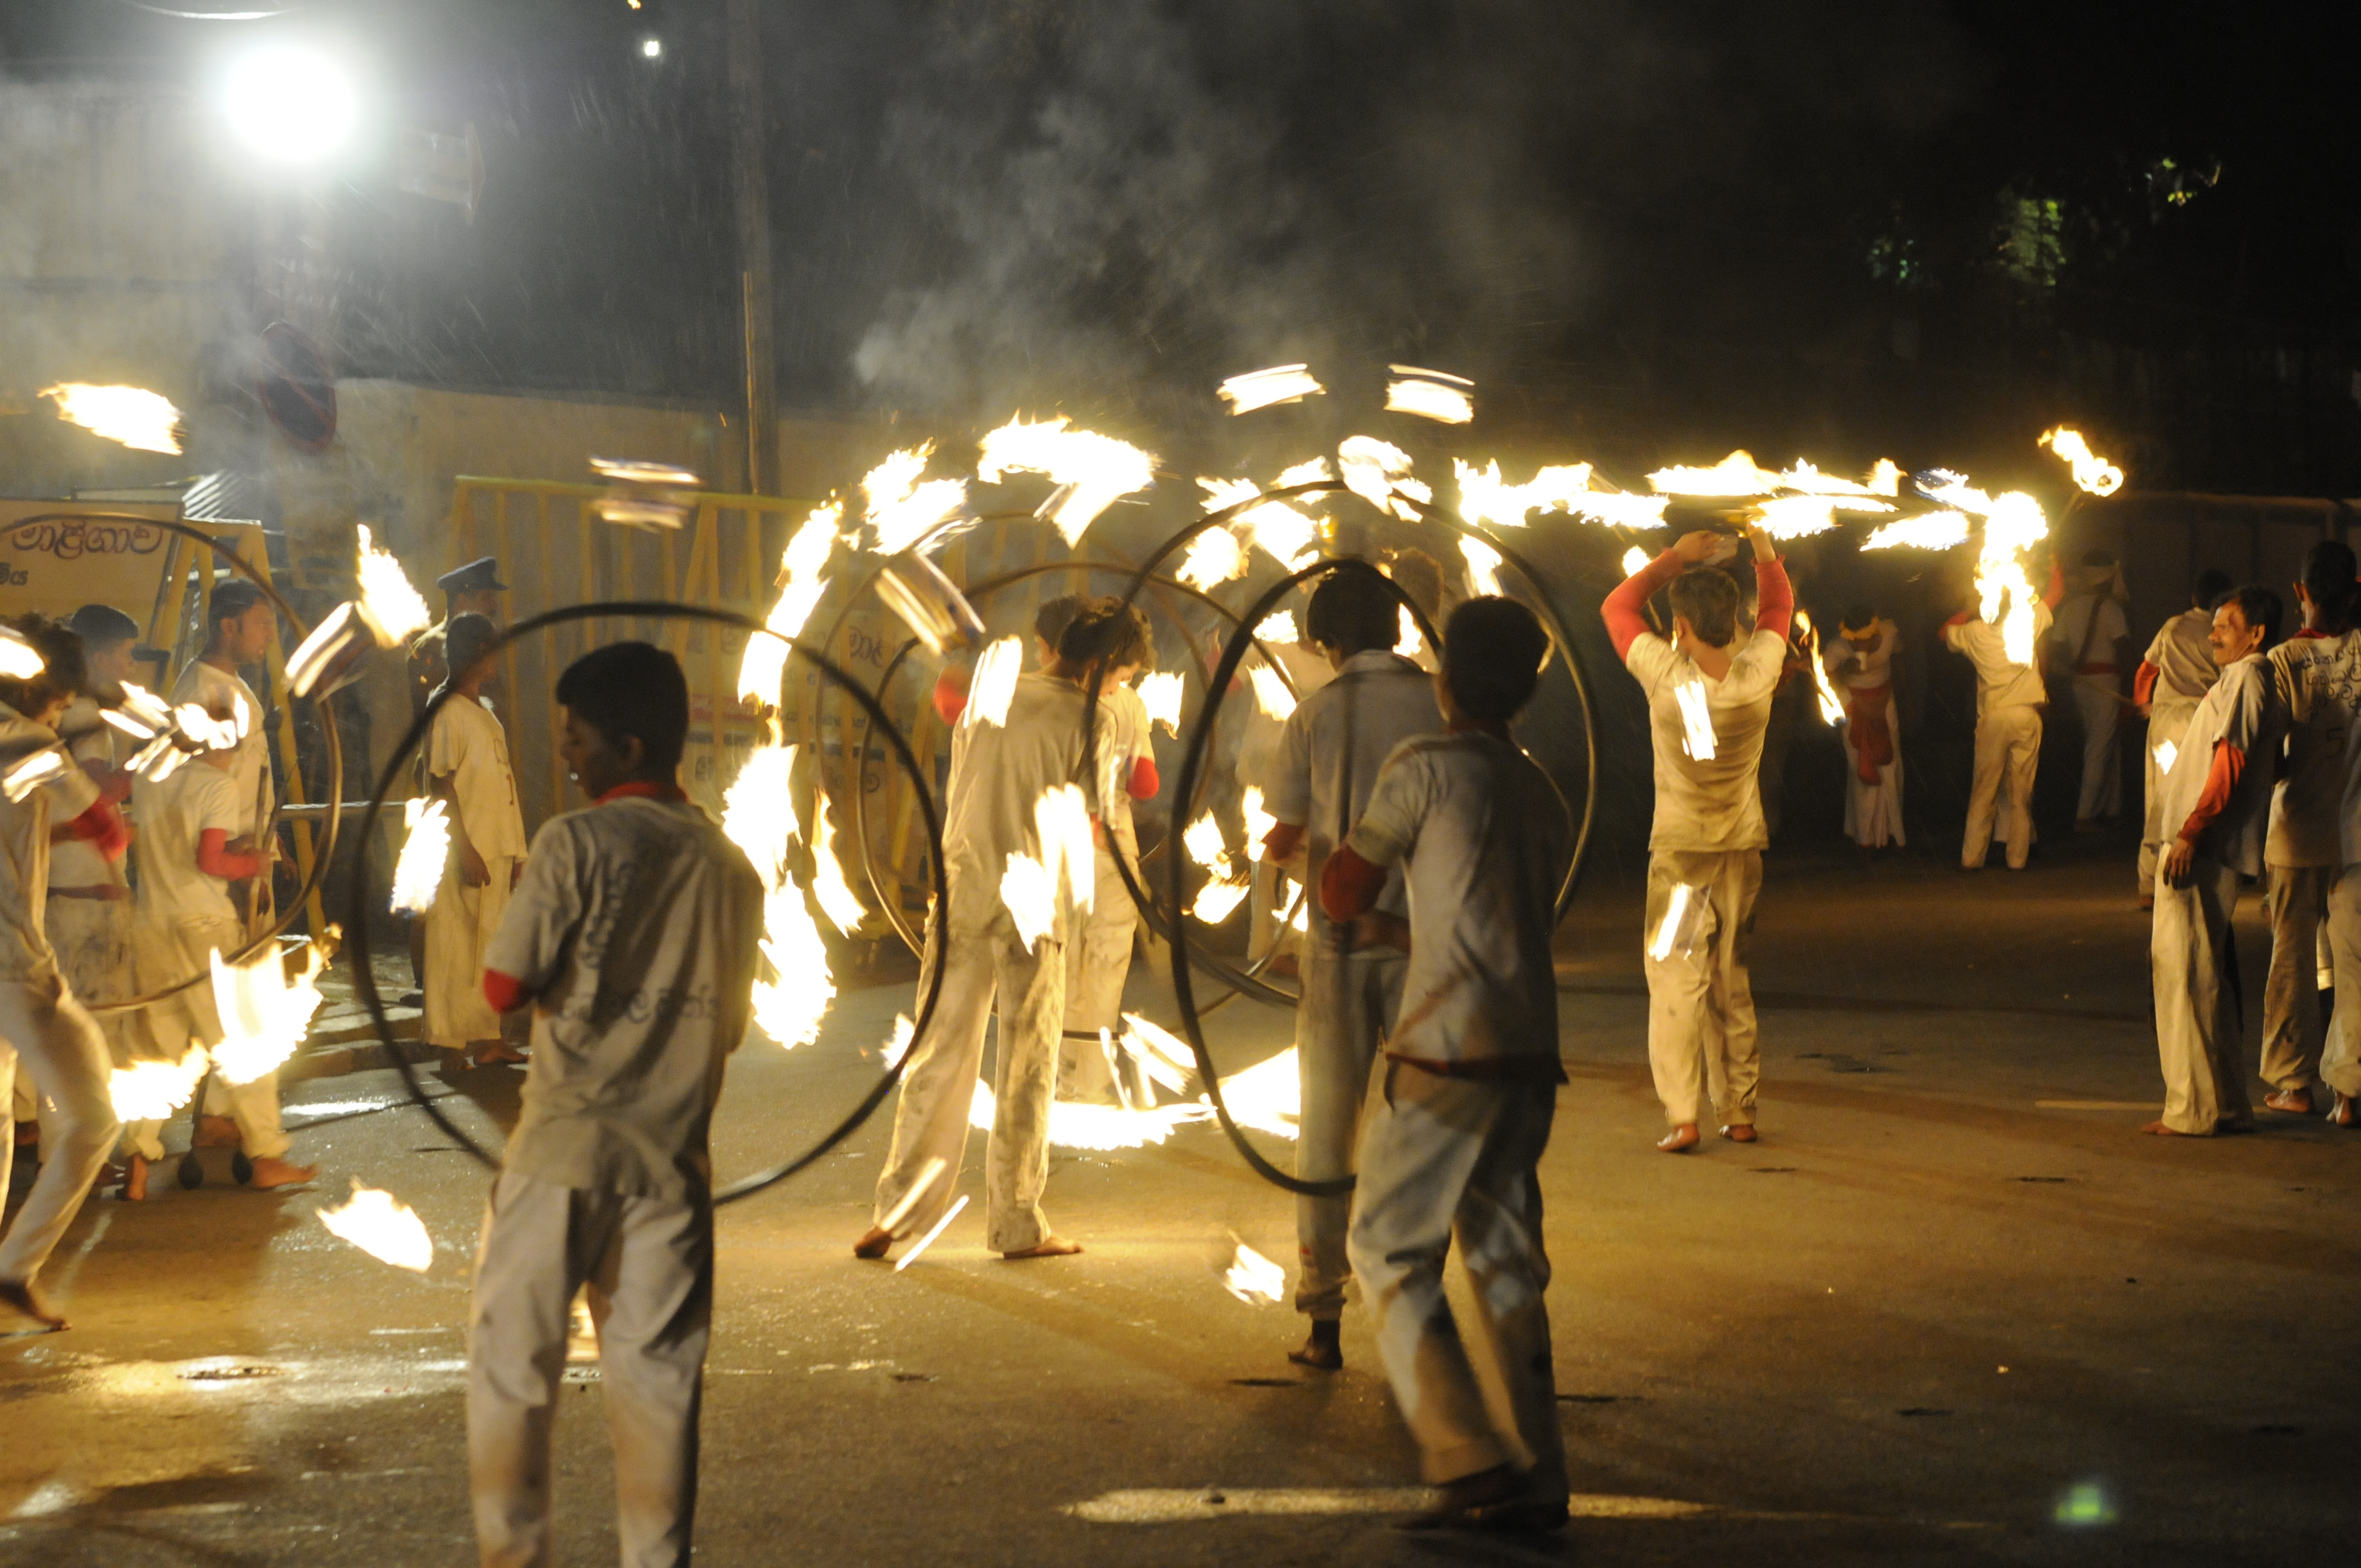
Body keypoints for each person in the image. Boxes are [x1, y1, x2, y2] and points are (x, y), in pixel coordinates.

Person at [467, 640, 764, 1568]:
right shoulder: (733, 869)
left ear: (627, 747)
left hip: (560, 1155)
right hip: (670, 1168)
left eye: (577, 740)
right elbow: (730, 1029)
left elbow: (503, 986)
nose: (568, 759)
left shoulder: (573, 842)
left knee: (513, 1375)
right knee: (660, 1391)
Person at [1324, 595, 1571, 1532]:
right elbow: (1493, 922)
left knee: (1384, 1246)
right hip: (1526, 1052)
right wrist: (1397, 932)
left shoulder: (1422, 764)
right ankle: (1539, 1478)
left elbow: (1343, 887)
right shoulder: (1539, 791)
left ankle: (1467, 1455)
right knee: (1505, 1263)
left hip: (1446, 1050)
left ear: (1446, 682)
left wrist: (1335, 862)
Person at [855, 599, 1152, 1264]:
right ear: (1103, 664)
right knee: (1027, 1062)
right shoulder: (1094, 718)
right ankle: (1017, 1224)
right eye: (1120, 677)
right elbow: (1088, 816)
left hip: (963, 885)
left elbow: (965, 783)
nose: (1117, 690)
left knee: (938, 1051)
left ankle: (896, 1214)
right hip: (1032, 903)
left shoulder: (992, 692)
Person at [1257, 565, 1443, 1371]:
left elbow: (1285, 833)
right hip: (1426, 942)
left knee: (1327, 1130)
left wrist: (1276, 866)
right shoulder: (1443, 702)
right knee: (1421, 1127)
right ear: (1399, 628)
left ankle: (1323, 1322)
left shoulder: (1317, 713)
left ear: (1327, 641)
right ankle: (1415, 1313)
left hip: (1338, 943)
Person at [1601, 522, 1789, 1153]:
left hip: (1683, 861)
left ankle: (1683, 1115)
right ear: (1733, 623)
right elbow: (1778, 610)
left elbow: (1617, 608)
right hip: (1739, 851)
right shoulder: (1758, 674)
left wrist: (1671, 560)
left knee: (1676, 980)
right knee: (1730, 977)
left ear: (1679, 627)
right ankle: (1739, 1111)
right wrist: (1763, 550)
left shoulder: (1666, 677)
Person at [130, 717, 317, 1193]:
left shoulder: (151, 779)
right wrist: (252, 863)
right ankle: (265, 1154)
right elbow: (210, 861)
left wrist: (237, 848)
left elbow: (180, 844)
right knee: (248, 1042)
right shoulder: (216, 785)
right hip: (203, 929)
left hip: (152, 925)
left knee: (160, 1049)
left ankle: (136, 1156)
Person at [0, 615, 124, 1329]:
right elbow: (106, 825)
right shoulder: (25, 739)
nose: (59, 718)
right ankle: (13, 1269)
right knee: (94, 1117)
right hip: (15, 967)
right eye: (60, 703)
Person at [2146, 585, 2282, 1137]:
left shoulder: (2249, 677)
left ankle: (2191, 1110)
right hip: (2202, 843)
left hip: (2201, 847)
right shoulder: (2239, 679)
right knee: (2205, 974)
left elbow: (2231, 760)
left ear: (2256, 634)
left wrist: (2190, 834)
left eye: (2226, 625)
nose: (2214, 634)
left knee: (2182, 972)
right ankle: (2223, 1104)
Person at [1034, 596, 1160, 1104]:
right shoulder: (1129, 704)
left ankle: (1058, 1075)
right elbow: (1146, 783)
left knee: (1060, 961)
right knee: (1106, 966)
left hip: (1059, 848)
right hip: (1113, 846)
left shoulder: (1046, 698)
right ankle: (1091, 1084)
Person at [2258, 545, 2361, 1115]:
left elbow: (2269, 756)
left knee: (2291, 959)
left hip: (2296, 833)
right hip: (2357, 836)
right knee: (2354, 964)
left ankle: (2293, 1085)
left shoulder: (2282, 660)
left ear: (2300, 591)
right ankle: (2349, 1092)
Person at [47, 607, 144, 1194]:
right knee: (93, 1037)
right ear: (101, 657)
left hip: (62, 893)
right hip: (87, 900)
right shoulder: (85, 719)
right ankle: (82, 1160)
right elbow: (99, 792)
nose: (131, 668)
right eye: (127, 655)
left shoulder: (54, 717)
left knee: (67, 1038)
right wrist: (156, 762)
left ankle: (73, 1156)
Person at [425, 614, 530, 1070]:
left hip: (496, 847)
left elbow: (502, 788)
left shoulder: (482, 713)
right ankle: (449, 1043)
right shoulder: (447, 711)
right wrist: (463, 847)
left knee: (487, 949)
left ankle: (487, 1038)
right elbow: (441, 784)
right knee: (455, 947)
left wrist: (517, 851)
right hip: (468, 849)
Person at [1943, 561, 2063, 871]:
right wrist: (2053, 562)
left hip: (1994, 717)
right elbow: (2056, 593)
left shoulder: (1975, 632)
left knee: (1984, 790)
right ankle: (2017, 860)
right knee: (2022, 793)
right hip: (2026, 715)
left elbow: (1944, 632)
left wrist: (1971, 609)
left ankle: (1972, 859)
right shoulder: (2028, 623)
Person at [2135, 569, 2233, 906]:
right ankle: (2192, 877)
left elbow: (2146, 671)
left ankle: (2149, 883)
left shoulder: (2173, 625)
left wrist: (2143, 703)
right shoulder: (2222, 632)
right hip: (2202, 720)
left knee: (2159, 797)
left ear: (2194, 597)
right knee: (2197, 797)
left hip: (2166, 723)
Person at [2049, 549, 2131, 832]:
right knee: (2099, 746)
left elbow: (2056, 649)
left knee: (2108, 745)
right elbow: (2123, 650)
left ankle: (2111, 809)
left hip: (2080, 683)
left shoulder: (2070, 608)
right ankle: (2085, 815)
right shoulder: (2112, 609)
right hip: (2107, 683)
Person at [1825, 605, 1905, 851]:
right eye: (1855, 642)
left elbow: (1900, 659)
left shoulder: (1889, 633)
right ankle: (1864, 839)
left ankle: (1893, 835)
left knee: (1890, 766)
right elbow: (1823, 681)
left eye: (1866, 640)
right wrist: (1843, 672)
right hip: (1853, 706)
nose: (1861, 646)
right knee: (1861, 768)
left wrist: (1910, 699)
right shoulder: (1837, 649)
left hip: (1885, 704)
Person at [409, 556, 508, 716]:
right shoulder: (432, 647)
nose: (494, 606)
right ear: (462, 602)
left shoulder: (479, 644)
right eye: (486, 598)